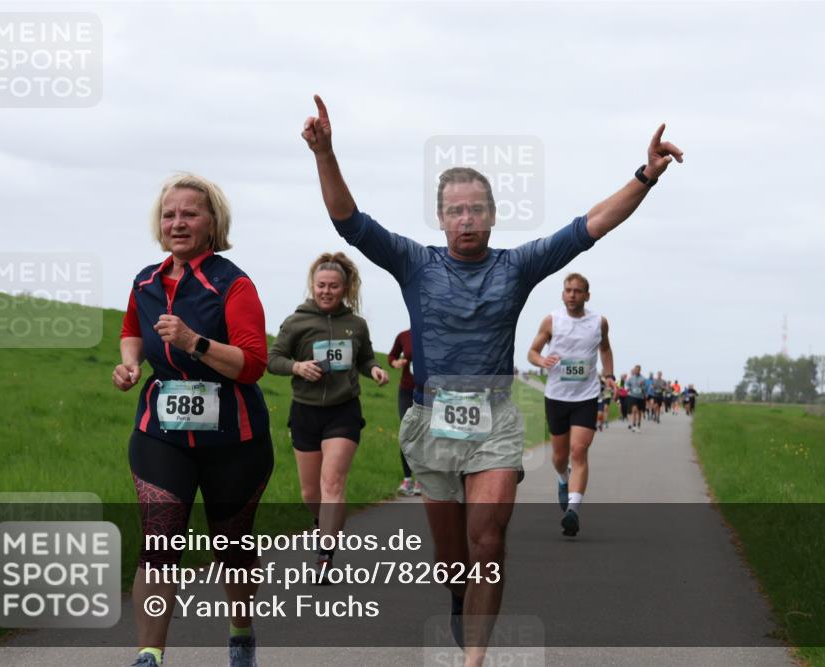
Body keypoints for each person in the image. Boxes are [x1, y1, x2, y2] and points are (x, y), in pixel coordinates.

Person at [301, 94, 682, 664]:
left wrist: (644, 177)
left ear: (493, 215)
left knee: (488, 540)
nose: (466, 218)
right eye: (455, 210)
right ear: (441, 218)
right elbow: (349, 223)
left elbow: (589, 227)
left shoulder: (518, 266)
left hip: (494, 420)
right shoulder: (414, 262)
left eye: (476, 208)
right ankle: (460, 598)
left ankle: (474, 658)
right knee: (453, 557)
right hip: (432, 419)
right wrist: (325, 153)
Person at [112, 173, 272, 667]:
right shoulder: (145, 280)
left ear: (212, 222)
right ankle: (149, 655)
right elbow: (131, 329)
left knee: (233, 548)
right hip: (161, 433)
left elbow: (253, 363)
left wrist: (193, 342)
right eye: (169, 214)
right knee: (160, 541)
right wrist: (130, 364)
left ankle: (241, 636)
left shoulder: (233, 283)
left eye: (189, 213)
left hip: (235, 438)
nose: (177, 222)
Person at [267, 252, 389, 577]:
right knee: (311, 493)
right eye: (321, 285)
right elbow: (273, 358)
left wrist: (374, 368)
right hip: (305, 411)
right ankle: (323, 521)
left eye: (333, 287)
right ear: (313, 285)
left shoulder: (356, 325)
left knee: (332, 481)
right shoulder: (297, 322)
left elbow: (364, 358)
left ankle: (325, 555)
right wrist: (297, 366)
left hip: (343, 410)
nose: (326, 291)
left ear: (345, 289)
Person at [527, 273, 617, 537]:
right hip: (556, 395)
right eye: (568, 290)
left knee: (579, 452)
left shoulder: (598, 322)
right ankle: (562, 479)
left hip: (586, 396)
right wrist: (540, 360)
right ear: (562, 293)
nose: (572, 295)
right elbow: (532, 351)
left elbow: (605, 349)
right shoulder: (552, 320)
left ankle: (573, 511)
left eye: (578, 291)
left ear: (587, 295)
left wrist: (609, 375)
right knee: (559, 456)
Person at [388, 328, 422, 496]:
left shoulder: (435, 333)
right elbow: (391, 356)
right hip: (406, 390)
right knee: (406, 432)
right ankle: (407, 479)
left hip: (429, 391)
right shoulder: (403, 336)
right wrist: (395, 363)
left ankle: (422, 480)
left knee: (425, 434)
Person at [625, 365, 647, 432]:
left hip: (640, 397)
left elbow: (645, 388)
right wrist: (628, 389)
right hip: (633, 396)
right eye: (635, 370)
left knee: (639, 412)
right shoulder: (631, 378)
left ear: (640, 370)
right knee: (634, 410)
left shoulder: (643, 379)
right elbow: (627, 384)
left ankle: (638, 424)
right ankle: (634, 425)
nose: (636, 371)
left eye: (637, 370)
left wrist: (642, 386)